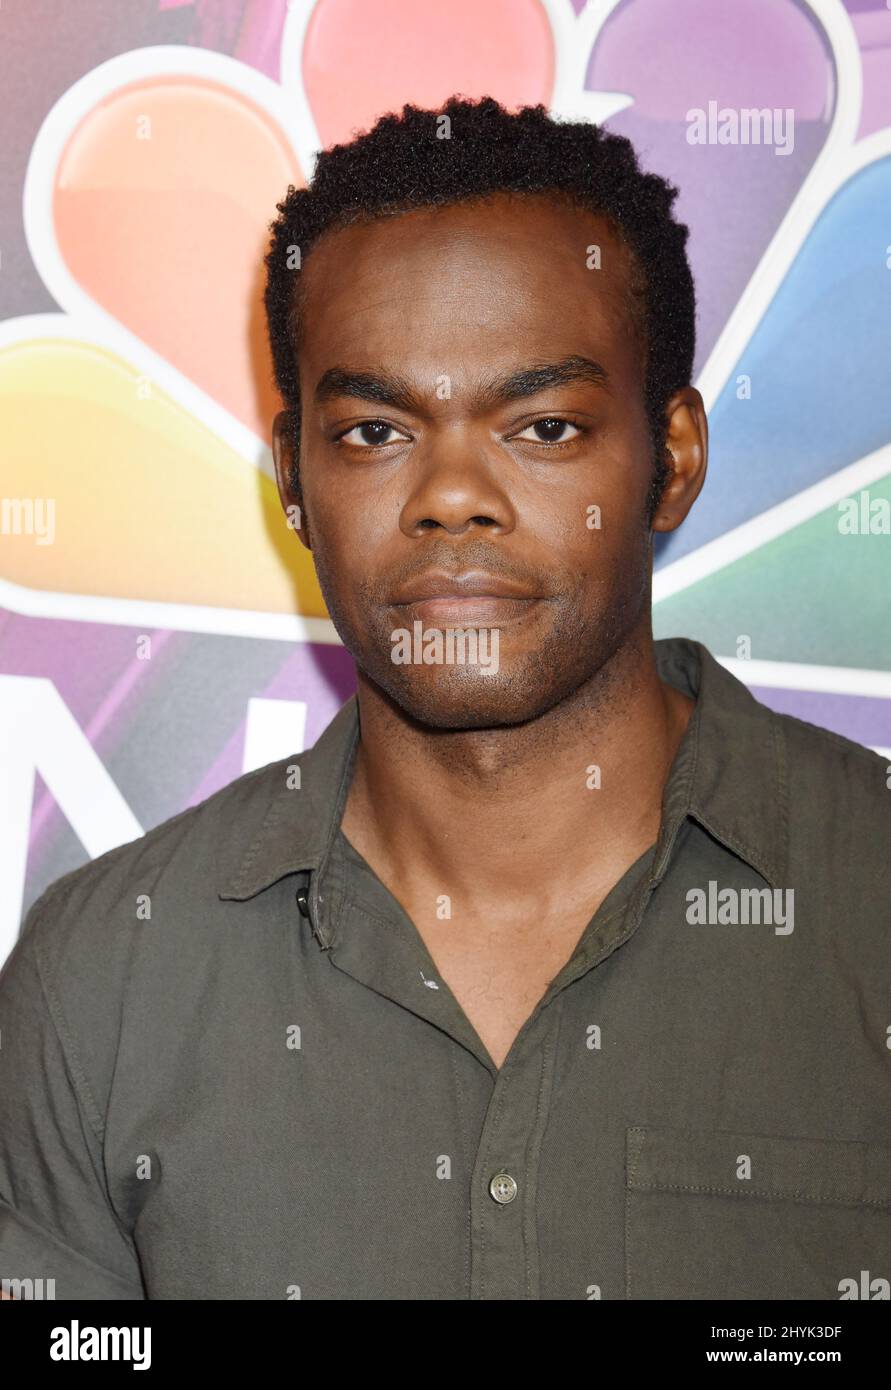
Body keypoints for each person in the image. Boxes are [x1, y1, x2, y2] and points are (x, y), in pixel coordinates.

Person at [1, 96, 889, 1302]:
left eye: (544, 424)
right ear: (296, 483)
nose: (453, 495)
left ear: (673, 459)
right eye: (375, 430)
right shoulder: (100, 977)